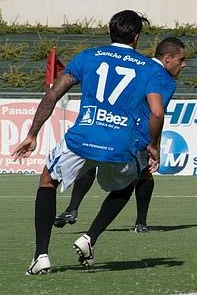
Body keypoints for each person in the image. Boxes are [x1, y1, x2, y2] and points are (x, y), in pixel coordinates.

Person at [12, 10, 165, 275]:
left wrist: (32, 134)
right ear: (137, 37)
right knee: (129, 184)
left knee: (47, 181)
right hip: (120, 143)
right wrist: (154, 146)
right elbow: (157, 112)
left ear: (110, 31)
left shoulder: (88, 56)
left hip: (83, 138)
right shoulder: (150, 68)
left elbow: (53, 94)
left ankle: (41, 256)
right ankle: (90, 237)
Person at [54, 37, 186, 233]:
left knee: (90, 160)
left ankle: (72, 209)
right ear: (168, 58)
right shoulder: (163, 79)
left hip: (105, 124)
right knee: (142, 176)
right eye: (181, 59)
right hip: (133, 135)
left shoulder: (138, 63)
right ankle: (135, 224)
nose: (184, 64)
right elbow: (154, 112)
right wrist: (152, 144)